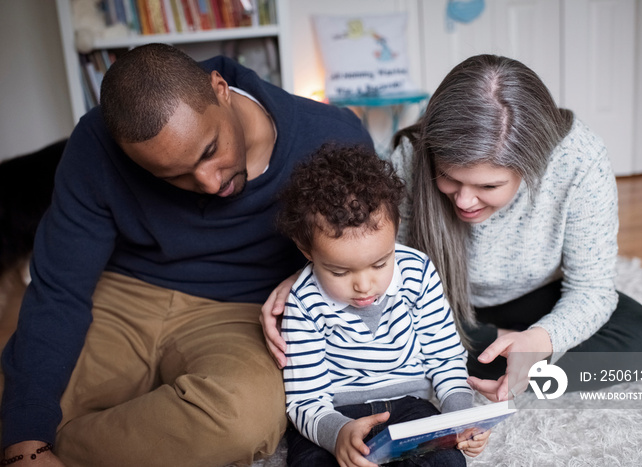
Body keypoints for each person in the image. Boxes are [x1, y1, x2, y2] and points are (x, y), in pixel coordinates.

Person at [0, 43, 373, 467]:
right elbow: (59, 289)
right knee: (21, 403)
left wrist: (305, 276)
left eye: (210, 151)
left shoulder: (331, 137)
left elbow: (367, 251)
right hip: (123, 296)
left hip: (240, 311)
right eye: (172, 175)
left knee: (243, 418)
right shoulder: (95, 143)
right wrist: (25, 441)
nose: (210, 184)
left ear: (220, 89)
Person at [261, 54, 642, 403]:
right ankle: (496, 363)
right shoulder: (410, 156)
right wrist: (313, 275)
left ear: (532, 166)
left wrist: (540, 340)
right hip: (438, 305)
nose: (464, 201)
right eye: (450, 179)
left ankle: (504, 365)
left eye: (489, 186)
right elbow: (376, 257)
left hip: (536, 296)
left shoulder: (579, 160)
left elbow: (591, 291)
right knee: (369, 334)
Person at [277, 144, 490, 467]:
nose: (364, 285)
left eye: (380, 263)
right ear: (306, 250)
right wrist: (337, 435)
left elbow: (445, 357)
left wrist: (460, 417)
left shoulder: (417, 272)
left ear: (395, 228)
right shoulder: (304, 299)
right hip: (337, 413)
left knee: (447, 462)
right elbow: (305, 399)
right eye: (339, 272)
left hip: (410, 406)